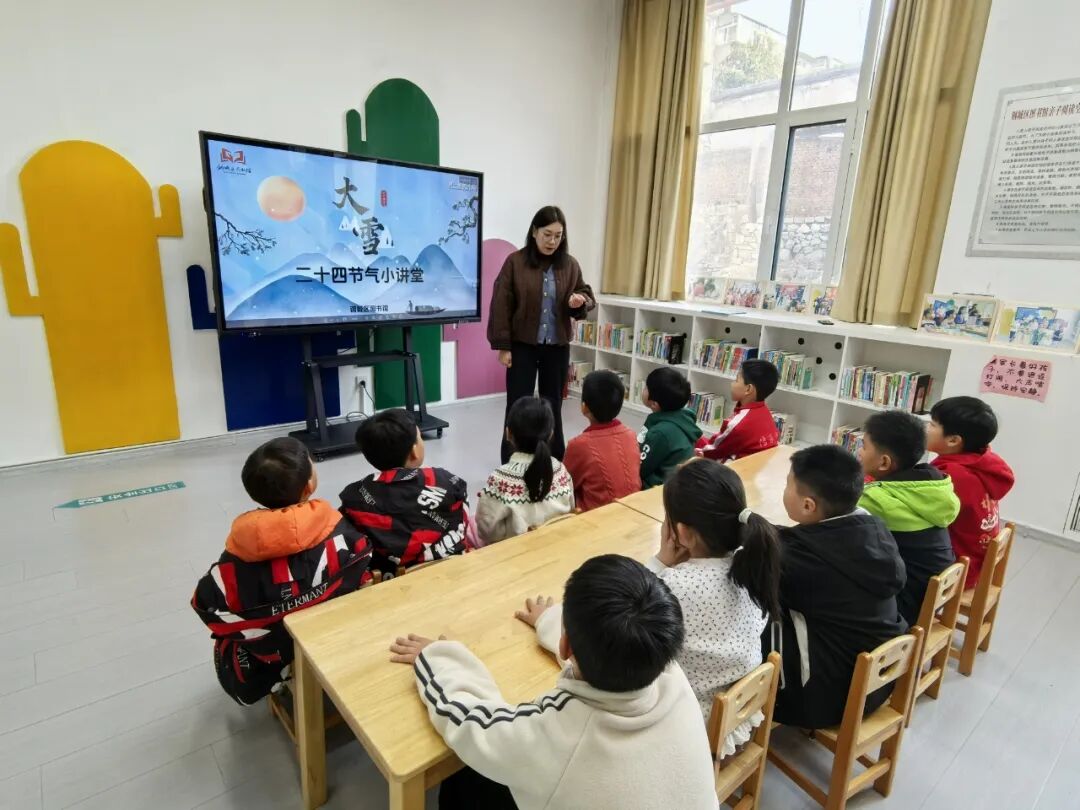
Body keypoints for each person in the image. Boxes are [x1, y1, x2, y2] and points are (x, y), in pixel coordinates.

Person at [388, 554, 718, 810]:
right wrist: (550, 621)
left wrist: (438, 657)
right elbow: (617, 650)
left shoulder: (558, 737)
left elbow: (470, 721)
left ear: (566, 644)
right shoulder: (673, 677)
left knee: (465, 779)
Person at [191, 437, 372, 704]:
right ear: (309, 485)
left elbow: (207, 603)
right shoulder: (344, 533)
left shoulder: (234, 561)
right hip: (335, 634)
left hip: (275, 652)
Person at [648, 459, 781, 757]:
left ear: (682, 533)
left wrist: (659, 562)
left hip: (691, 728)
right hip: (739, 718)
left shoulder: (674, 586)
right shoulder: (752, 566)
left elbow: (628, 612)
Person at [770, 444, 906, 729]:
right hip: (878, 683)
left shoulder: (801, 561)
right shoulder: (872, 527)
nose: (784, 490)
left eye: (787, 484)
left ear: (808, 506)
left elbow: (760, 571)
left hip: (825, 700)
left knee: (747, 612)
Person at [488, 206, 595, 463]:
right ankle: (511, 460)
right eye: (547, 234)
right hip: (522, 345)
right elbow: (501, 304)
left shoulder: (570, 264)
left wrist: (579, 301)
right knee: (517, 405)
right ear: (535, 231)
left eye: (558, 235)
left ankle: (553, 461)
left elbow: (586, 294)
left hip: (556, 347)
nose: (552, 241)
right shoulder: (515, 262)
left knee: (553, 404)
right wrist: (503, 346)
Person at [339, 409, 477, 577]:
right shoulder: (447, 481)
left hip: (388, 582)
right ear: (414, 451)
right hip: (454, 573)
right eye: (420, 438)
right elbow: (462, 523)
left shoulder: (355, 497)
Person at [858, 410, 960, 624]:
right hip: (929, 597)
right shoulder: (930, 484)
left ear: (884, 463)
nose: (859, 452)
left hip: (901, 607)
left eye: (864, 446)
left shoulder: (876, 500)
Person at [928, 396, 1015, 588]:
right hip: (977, 563)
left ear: (953, 440)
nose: (925, 428)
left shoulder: (952, 475)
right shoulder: (982, 463)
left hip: (957, 571)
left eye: (932, 425)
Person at [476, 397, 574, 544]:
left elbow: (487, 532)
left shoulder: (500, 479)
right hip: (558, 546)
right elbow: (571, 507)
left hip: (515, 553)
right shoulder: (560, 470)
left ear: (508, 433)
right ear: (551, 434)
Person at [562, 370, 641, 512]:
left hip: (596, 518)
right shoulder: (630, 435)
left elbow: (566, 485)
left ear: (584, 407)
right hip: (633, 512)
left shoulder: (579, 445)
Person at [695, 359, 779, 462]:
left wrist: (692, 436)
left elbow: (710, 451)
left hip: (737, 468)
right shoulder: (765, 412)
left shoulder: (738, 424)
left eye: (736, 380)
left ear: (748, 389)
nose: (732, 384)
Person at [637, 367, 701, 488]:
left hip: (659, 489)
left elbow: (640, 468)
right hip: (676, 484)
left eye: (646, 387)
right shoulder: (683, 418)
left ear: (654, 404)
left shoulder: (660, 433)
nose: (643, 389)